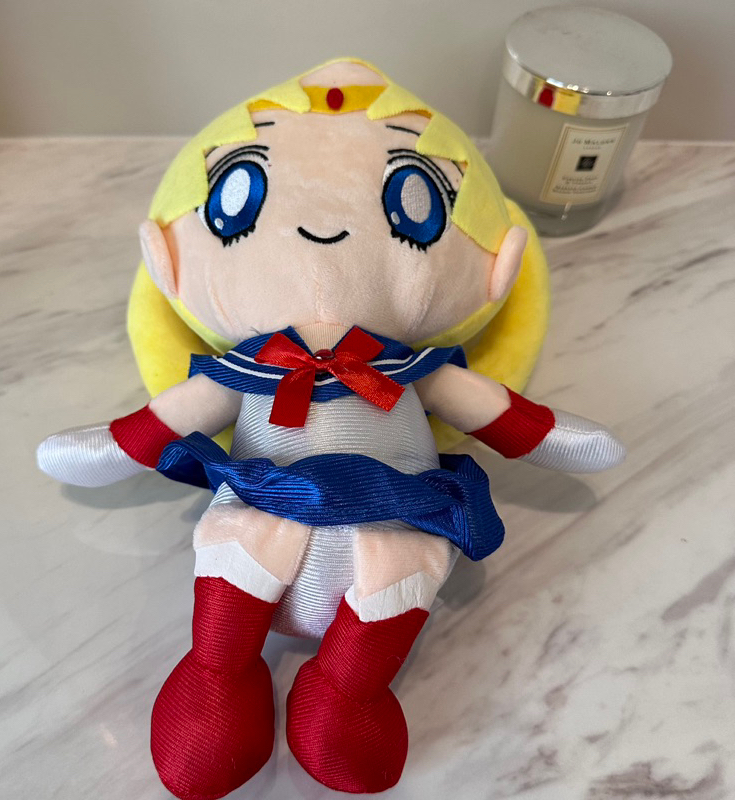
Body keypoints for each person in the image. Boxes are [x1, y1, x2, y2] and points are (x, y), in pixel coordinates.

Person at [38, 59, 624, 800]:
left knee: (399, 570)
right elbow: (157, 425)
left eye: (415, 203)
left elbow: (507, 417)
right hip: (263, 513)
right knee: (236, 551)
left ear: (500, 264)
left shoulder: (414, 368)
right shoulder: (246, 369)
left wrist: (566, 441)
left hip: (391, 523)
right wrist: (100, 449)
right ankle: (217, 677)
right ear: (164, 255)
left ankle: (347, 693)